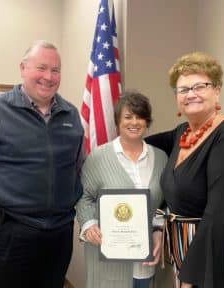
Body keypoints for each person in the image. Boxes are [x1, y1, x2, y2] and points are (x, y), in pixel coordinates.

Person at [0, 40, 84, 288]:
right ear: (23, 68)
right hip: (7, 235)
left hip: (58, 236)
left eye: (56, 70)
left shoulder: (71, 115)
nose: (48, 77)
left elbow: (79, 171)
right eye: (41, 68)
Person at [145, 51, 224, 288]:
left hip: (223, 254)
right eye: (183, 89)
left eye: (200, 86)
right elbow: (140, 143)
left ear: (217, 89)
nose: (191, 94)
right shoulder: (182, 133)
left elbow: (220, 214)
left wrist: (190, 276)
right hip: (188, 254)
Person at [76, 91, 167, 288]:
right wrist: (89, 224)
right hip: (107, 258)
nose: (134, 122)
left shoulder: (161, 159)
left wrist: (158, 229)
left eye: (140, 117)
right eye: (128, 116)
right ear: (118, 121)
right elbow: (84, 196)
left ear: (147, 121)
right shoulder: (98, 157)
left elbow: (163, 202)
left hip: (143, 260)